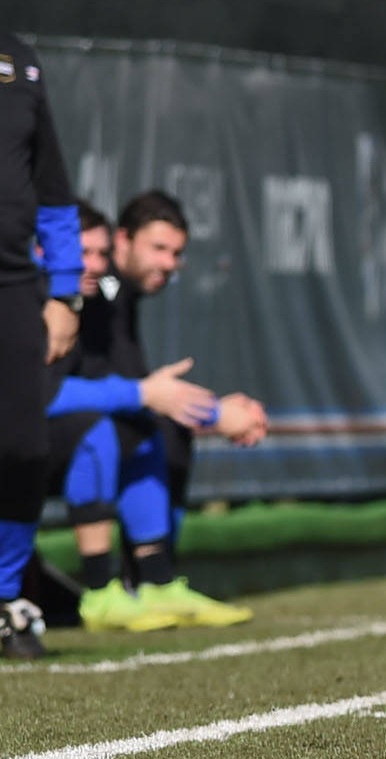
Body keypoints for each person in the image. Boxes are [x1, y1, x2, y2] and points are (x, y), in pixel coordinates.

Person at [45, 200, 267, 631]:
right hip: (36, 438)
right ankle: (100, 589)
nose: (170, 263)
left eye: (177, 253)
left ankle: (156, 581)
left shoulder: (109, 292)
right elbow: (44, 392)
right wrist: (214, 413)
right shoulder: (75, 292)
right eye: (159, 248)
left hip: (53, 428)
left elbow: (133, 388)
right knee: (102, 429)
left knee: (156, 426)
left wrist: (206, 411)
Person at [1, 30, 82, 660]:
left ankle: (8, 602)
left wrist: (63, 292)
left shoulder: (19, 59)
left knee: (25, 448)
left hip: (14, 284)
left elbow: (53, 191)